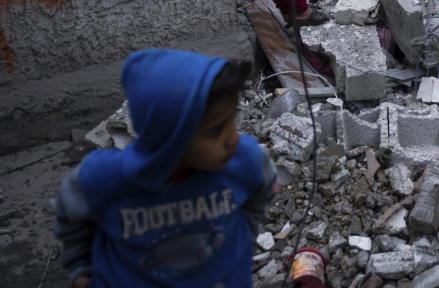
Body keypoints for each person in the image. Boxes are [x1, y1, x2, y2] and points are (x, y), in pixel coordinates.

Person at [53, 49, 277, 287]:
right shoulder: (106, 179)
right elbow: (71, 217)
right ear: (169, 139)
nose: (233, 138)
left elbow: (260, 193)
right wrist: (80, 268)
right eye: (215, 131)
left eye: (231, 121)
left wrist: (244, 238)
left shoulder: (245, 161)